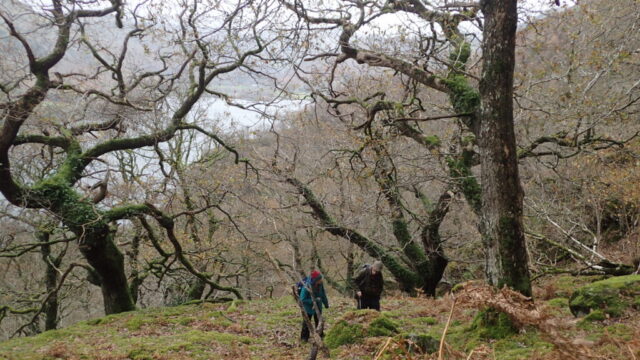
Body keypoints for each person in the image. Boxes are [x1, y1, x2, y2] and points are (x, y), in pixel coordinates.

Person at [299, 270, 329, 342]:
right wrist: (313, 300)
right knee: (306, 322)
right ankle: (304, 337)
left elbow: (323, 294)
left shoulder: (320, 284)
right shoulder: (306, 286)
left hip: (318, 306)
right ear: (316, 280)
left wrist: (326, 303)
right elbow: (302, 299)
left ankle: (320, 335)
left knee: (318, 320)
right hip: (308, 308)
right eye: (320, 279)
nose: (321, 280)